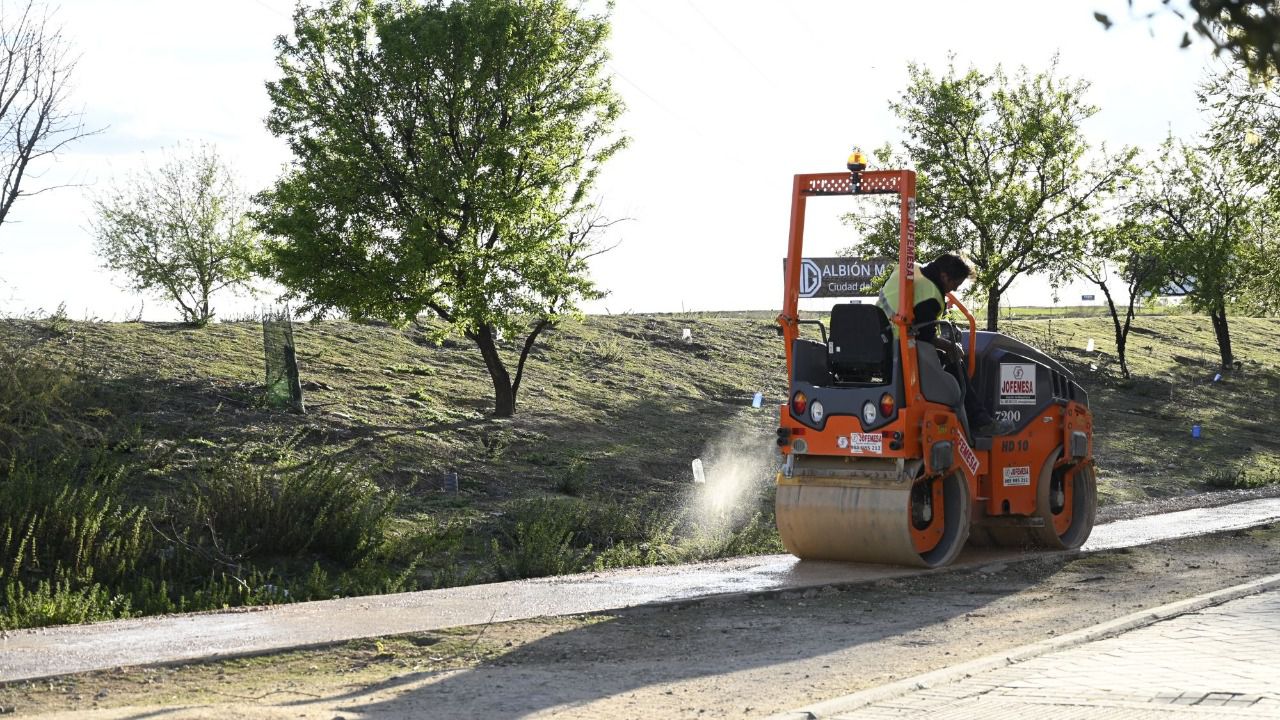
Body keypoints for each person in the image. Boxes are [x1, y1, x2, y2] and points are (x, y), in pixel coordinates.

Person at [876, 253, 1010, 435]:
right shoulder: (931, 294)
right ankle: (980, 420)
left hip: (879, 342)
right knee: (955, 362)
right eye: (955, 284)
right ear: (944, 276)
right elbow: (926, 338)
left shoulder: (907, 271)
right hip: (899, 350)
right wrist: (951, 347)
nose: (953, 290)